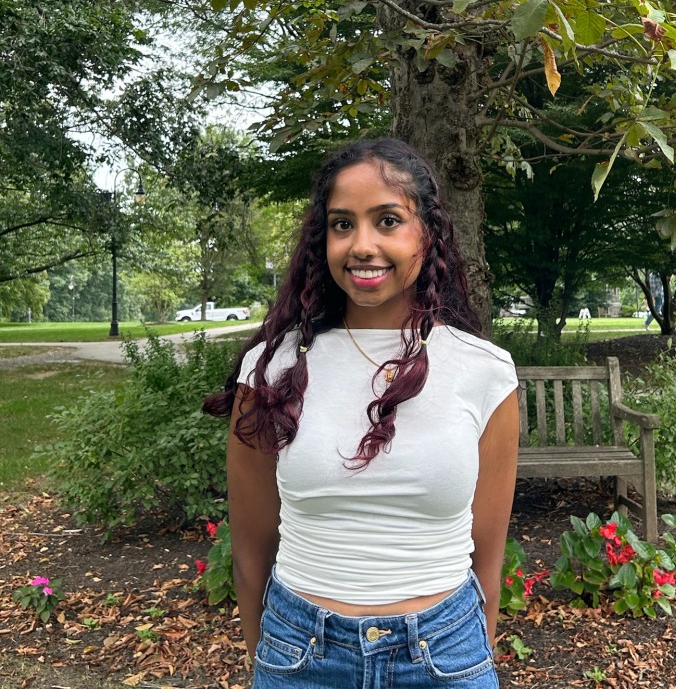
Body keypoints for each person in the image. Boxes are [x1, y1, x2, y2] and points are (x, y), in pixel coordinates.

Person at [204, 138, 520, 688]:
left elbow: (486, 563)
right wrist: (267, 660)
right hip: (299, 655)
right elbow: (250, 555)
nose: (362, 245)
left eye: (388, 220)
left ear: (428, 234)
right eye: (342, 224)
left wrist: (474, 656)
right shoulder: (269, 369)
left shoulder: (483, 371)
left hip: (445, 656)